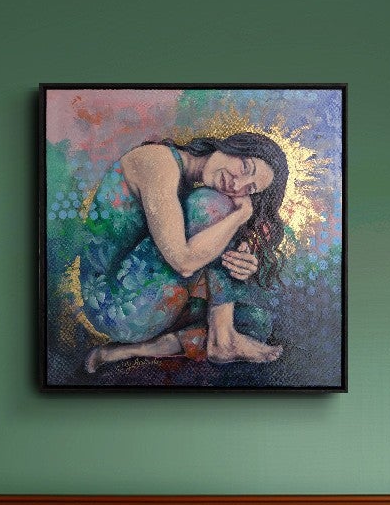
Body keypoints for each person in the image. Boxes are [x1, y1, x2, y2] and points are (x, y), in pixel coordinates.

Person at [76, 132, 290, 373]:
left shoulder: (187, 178)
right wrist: (239, 216)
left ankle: (128, 351)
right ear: (231, 145)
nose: (237, 185)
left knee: (255, 321)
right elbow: (183, 262)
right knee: (213, 205)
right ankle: (222, 339)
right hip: (114, 306)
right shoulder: (158, 162)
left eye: (250, 189)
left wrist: (240, 263)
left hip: (147, 300)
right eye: (245, 167)